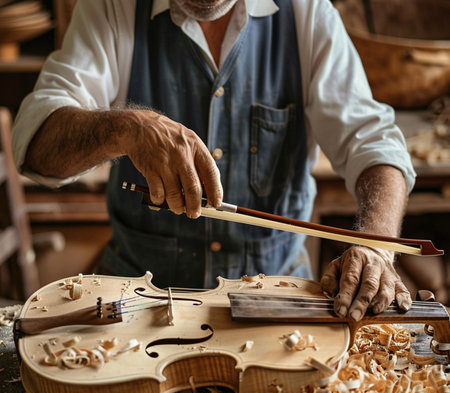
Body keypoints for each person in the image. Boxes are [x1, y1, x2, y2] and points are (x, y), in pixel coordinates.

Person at [12, 0, 416, 322]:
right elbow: (35, 144)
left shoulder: (306, 13)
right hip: (137, 305)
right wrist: (128, 128)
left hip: (276, 306)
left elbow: (374, 141)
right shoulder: (112, 7)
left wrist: (376, 244)